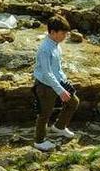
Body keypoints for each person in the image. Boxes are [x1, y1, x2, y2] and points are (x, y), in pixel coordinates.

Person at [32, 14, 80, 152]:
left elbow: (57, 68)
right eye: (63, 33)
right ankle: (39, 141)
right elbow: (47, 73)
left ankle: (59, 127)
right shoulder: (45, 49)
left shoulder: (56, 45)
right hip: (45, 85)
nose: (65, 36)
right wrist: (60, 90)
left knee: (73, 102)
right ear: (52, 32)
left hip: (57, 81)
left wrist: (64, 82)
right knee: (44, 114)